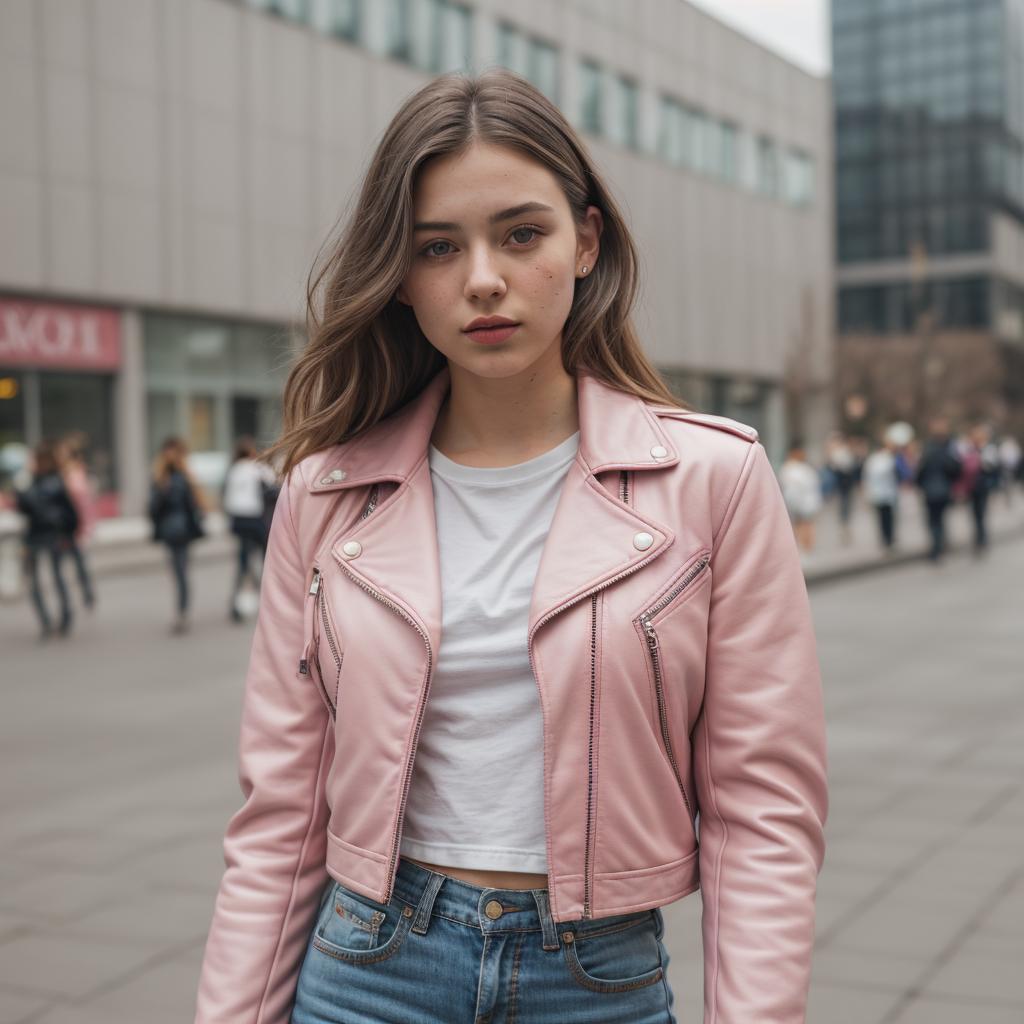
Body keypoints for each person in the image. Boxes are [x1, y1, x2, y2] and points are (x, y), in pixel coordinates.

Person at [193, 69, 828, 1024]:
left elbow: (762, 813)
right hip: (368, 967)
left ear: (585, 240)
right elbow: (280, 815)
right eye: (438, 247)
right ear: (401, 279)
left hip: (597, 981)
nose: (482, 277)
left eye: (521, 233)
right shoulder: (324, 496)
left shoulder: (714, 480)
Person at [15, 439, 80, 640]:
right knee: (36, 581)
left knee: (55, 577)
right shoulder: (32, 481)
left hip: (51, 535)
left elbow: (69, 512)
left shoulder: (53, 482)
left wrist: (68, 533)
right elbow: (24, 509)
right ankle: (47, 621)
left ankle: (62, 617)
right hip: (36, 536)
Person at [148, 436, 207, 634]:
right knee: (179, 571)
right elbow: (154, 508)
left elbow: (194, 505)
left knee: (180, 571)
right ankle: (182, 611)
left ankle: (182, 611)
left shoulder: (179, 477)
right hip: (174, 530)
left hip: (179, 531)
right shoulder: (165, 478)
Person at [222, 435, 279, 622]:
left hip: (237, 519)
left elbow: (226, 495)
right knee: (267, 560)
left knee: (243, 560)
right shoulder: (257, 467)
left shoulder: (233, 469)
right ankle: (269, 601)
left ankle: (236, 602)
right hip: (255, 517)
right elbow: (273, 486)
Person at [57, 430, 97, 610]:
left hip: (73, 525)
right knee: (75, 562)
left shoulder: (75, 473)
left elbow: (82, 501)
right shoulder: (64, 472)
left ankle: (87, 594)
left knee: (77, 562)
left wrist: (85, 526)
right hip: (67, 525)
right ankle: (86, 593)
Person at [914, 415, 962, 563]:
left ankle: (936, 548)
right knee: (939, 520)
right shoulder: (948, 447)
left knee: (933, 521)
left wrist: (920, 484)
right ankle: (939, 545)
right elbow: (956, 468)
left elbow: (920, 470)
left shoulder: (929, 448)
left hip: (931, 490)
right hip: (943, 489)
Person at [952, 422, 1001, 556]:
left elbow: (992, 467)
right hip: (972, 486)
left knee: (980, 514)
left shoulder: (987, 449)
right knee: (975, 514)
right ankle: (979, 539)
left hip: (982, 486)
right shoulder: (968, 448)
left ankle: (981, 539)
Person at [779, 439, 823, 553]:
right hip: (797, 502)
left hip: (806, 502)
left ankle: (806, 547)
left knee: (806, 524)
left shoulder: (803, 467)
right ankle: (802, 547)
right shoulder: (789, 468)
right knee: (801, 524)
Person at [862, 429, 902, 553]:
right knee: (888, 518)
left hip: (878, 494)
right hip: (887, 494)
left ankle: (886, 539)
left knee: (882, 519)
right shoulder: (889, 459)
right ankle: (889, 539)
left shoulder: (872, 460)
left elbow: (867, 478)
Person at [824, 431, 858, 544]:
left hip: (844, 484)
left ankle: (845, 526)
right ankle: (843, 526)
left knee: (845, 506)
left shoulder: (843, 452)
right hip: (838, 485)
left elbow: (848, 467)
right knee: (842, 506)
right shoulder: (834, 453)